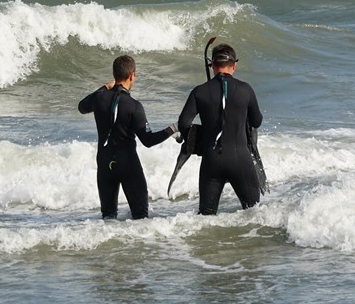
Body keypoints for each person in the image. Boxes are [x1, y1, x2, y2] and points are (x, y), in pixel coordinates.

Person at [78, 55, 176, 220]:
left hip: (104, 164)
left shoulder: (99, 98)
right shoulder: (134, 106)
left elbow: (82, 107)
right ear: (131, 75)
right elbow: (148, 140)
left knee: (108, 218)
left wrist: (103, 88)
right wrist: (172, 129)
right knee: (141, 218)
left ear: (114, 74)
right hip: (128, 165)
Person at [177, 43, 264, 215]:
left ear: (212, 65)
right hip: (240, 159)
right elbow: (257, 121)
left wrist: (199, 138)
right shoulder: (245, 90)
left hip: (211, 161)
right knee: (255, 214)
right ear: (234, 65)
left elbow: (183, 123)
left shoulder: (199, 91)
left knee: (206, 218)